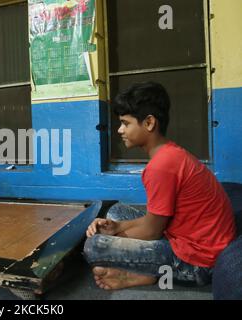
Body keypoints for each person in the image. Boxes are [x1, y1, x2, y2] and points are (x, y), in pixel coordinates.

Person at [83, 82, 236, 290]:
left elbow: (152, 231)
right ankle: (147, 273)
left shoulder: (161, 166)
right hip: (187, 238)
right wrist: (117, 227)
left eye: (125, 123)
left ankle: (149, 274)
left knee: (95, 245)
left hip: (200, 262)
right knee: (116, 212)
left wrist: (109, 237)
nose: (120, 130)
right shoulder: (169, 153)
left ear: (149, 123)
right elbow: (154, 221)